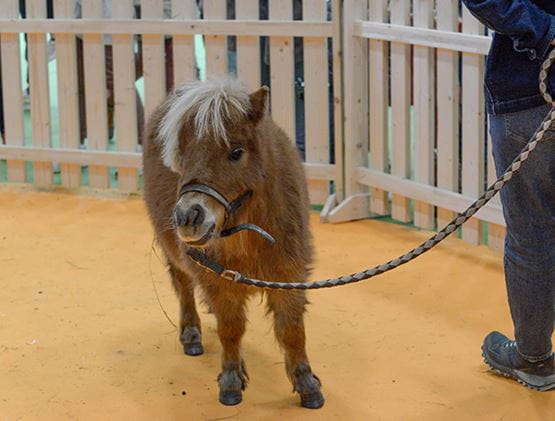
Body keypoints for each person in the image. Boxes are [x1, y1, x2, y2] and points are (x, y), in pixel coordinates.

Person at [462, 0, 555, 390]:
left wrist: (545, 30)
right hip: (532, 93)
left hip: (526, 94)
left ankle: (534, 359)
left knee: (531, 234)